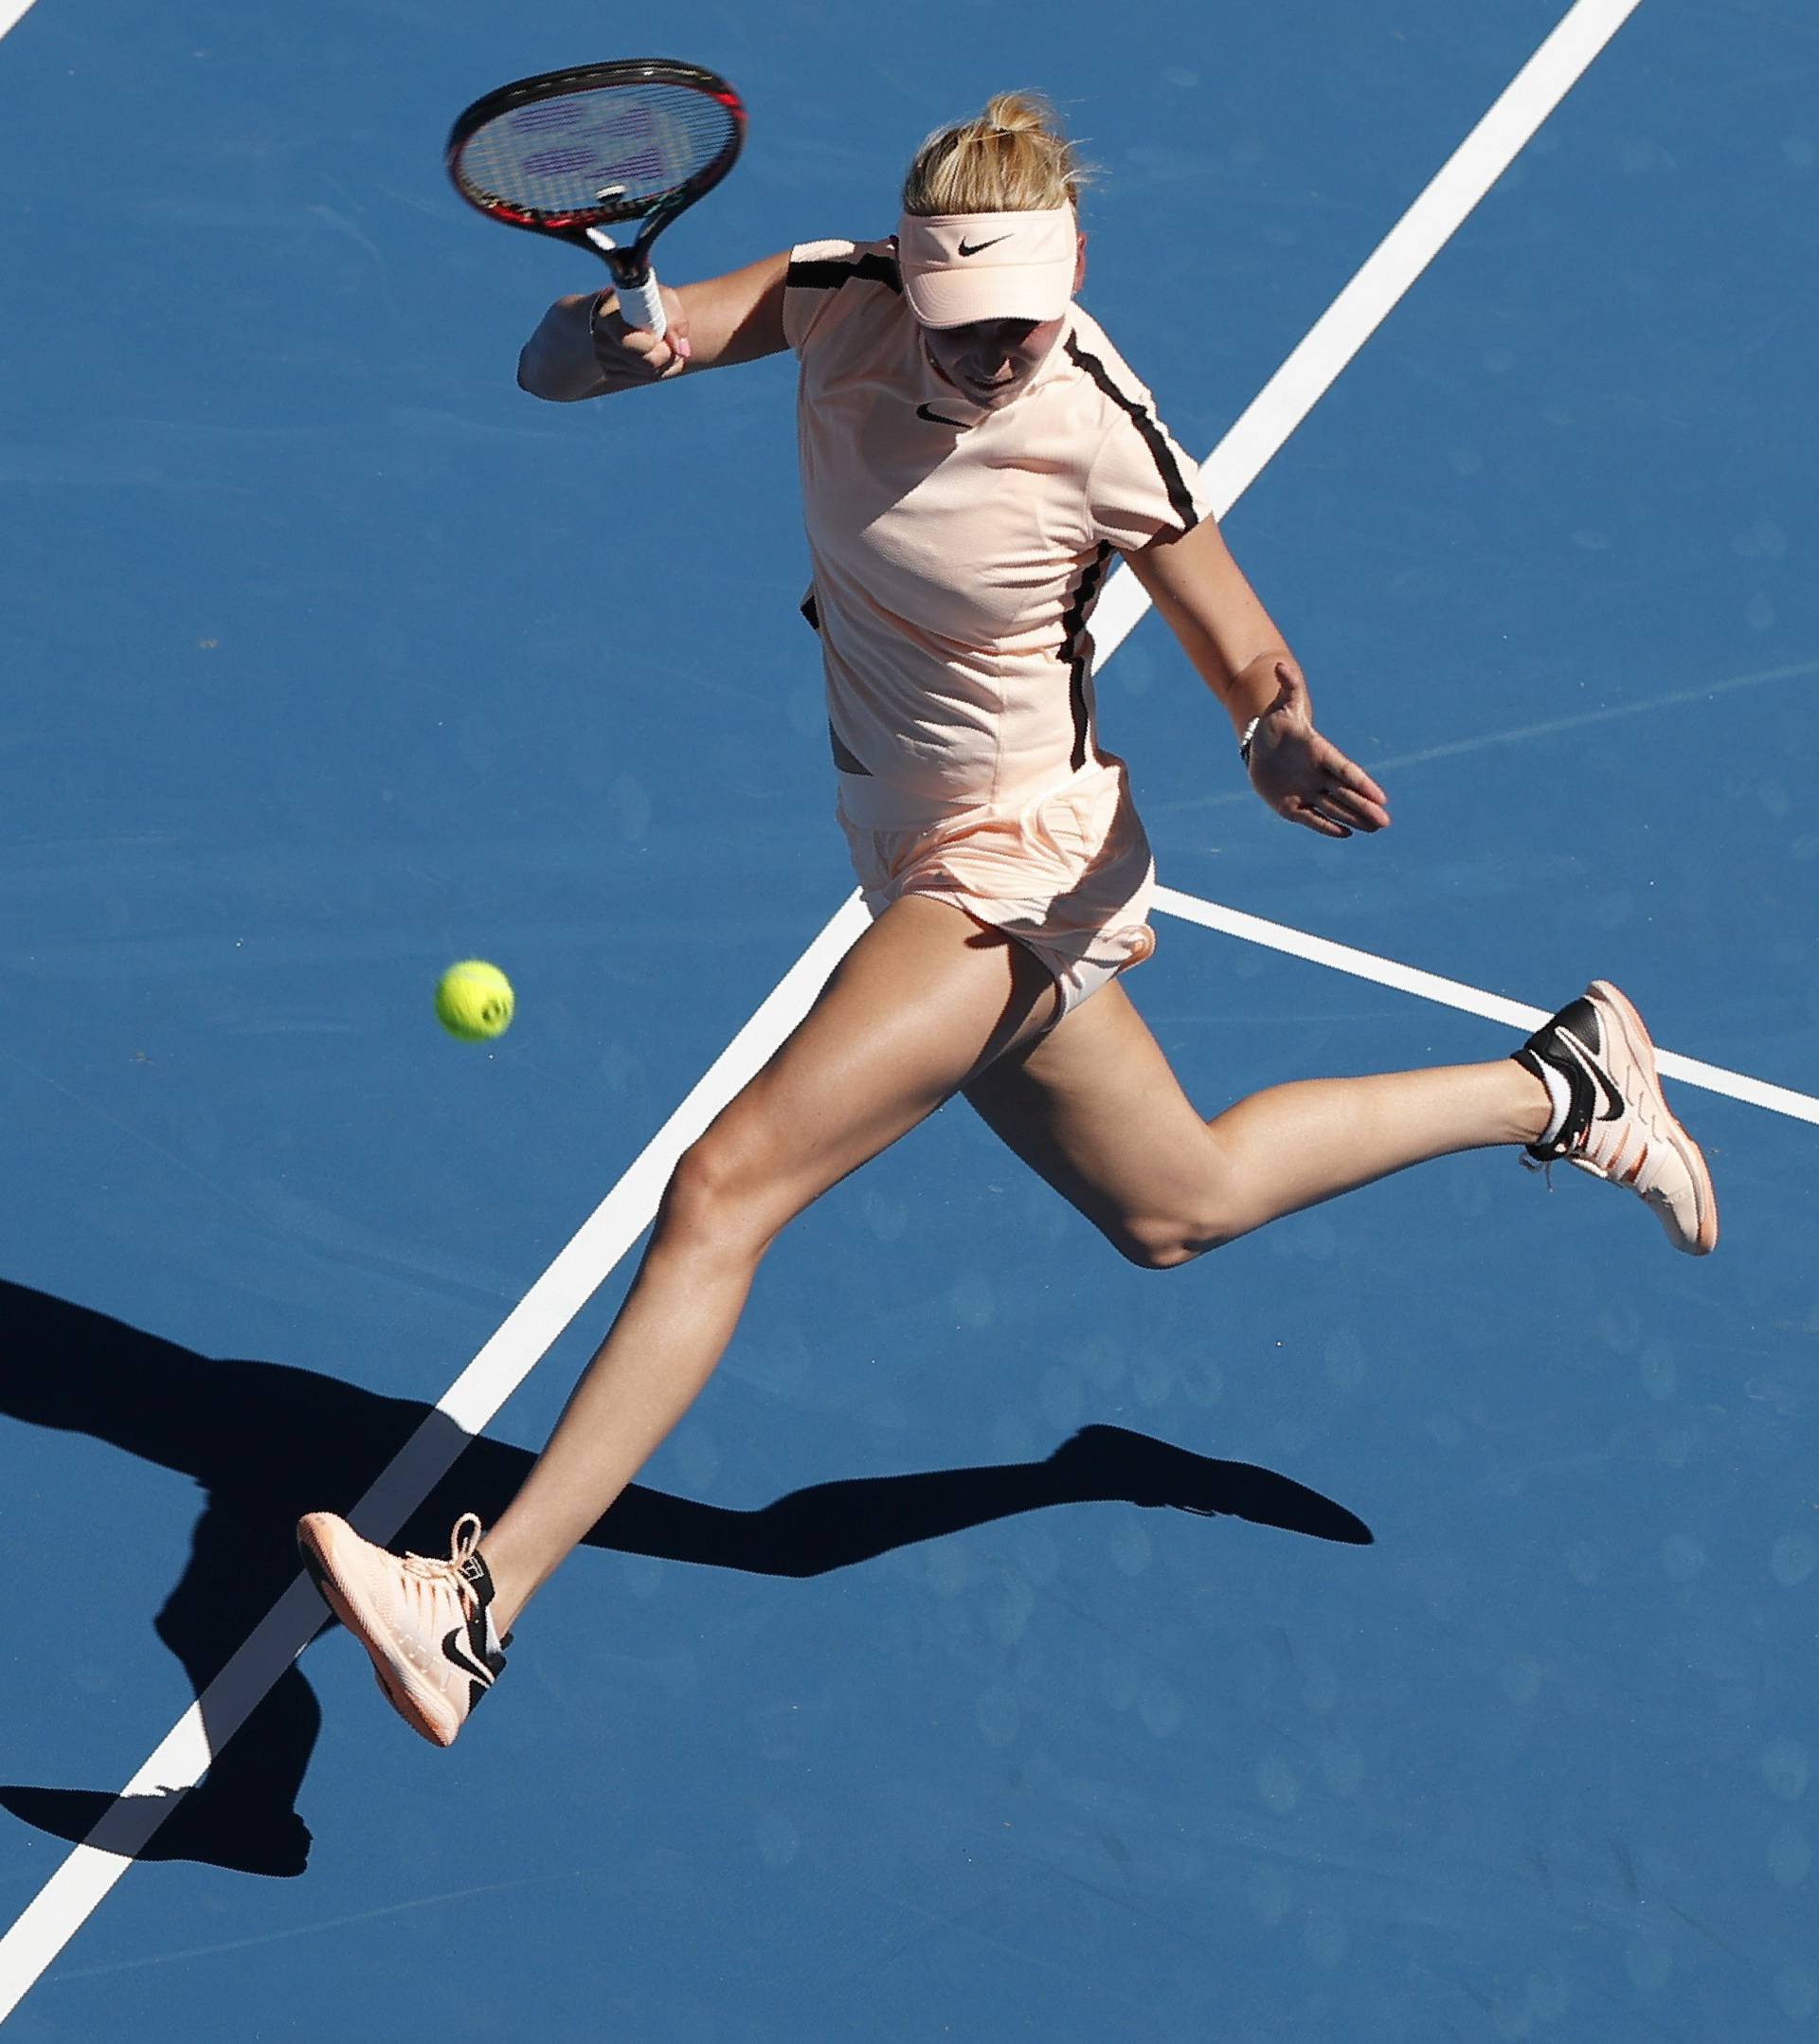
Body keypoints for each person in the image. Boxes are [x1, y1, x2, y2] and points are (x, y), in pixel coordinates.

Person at [297, 94, 1717, 1749]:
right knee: (1178, 1203)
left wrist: (1271, 732)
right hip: (901, 839)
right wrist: (630, 337)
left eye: (1020, 329)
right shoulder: (837, 299)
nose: (987, 362)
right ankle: (1570, 1087)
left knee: (723, 1185)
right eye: (962, 330)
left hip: (1023, 859)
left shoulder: (1098, 417)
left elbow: (1240, 639)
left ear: (1074, 276)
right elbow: (555, 373)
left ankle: (477, 1603)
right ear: (908, 272)